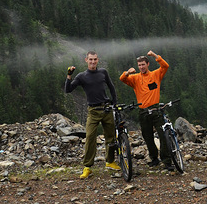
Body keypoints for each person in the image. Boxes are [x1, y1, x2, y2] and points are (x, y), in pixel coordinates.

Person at [64, 51, 120, 179]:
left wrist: (115, 103)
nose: (93, 62)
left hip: (106, 108)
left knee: (110, 137)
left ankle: (110, 162)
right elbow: (68, 90)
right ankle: (87, 167)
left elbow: (111, 87)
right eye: (90, 60)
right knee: (90, 138)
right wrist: (69, 76)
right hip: (93, 111)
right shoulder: (81, 76)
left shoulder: (103, 72)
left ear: (97, 60)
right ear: (86, 60)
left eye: (95, 59)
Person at [119, 50, 173, 171]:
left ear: (148, 64)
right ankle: (154, 158)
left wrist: (155, 56)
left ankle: (167, 161)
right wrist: (128, 72)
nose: (141, 67)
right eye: (139, 65)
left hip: (156, 109)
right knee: (147, 136)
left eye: (143, 64)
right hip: (143, 111)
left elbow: (165, 66)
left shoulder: (156, 74)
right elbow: (122, 78)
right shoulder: (135, 78)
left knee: (163, 135)